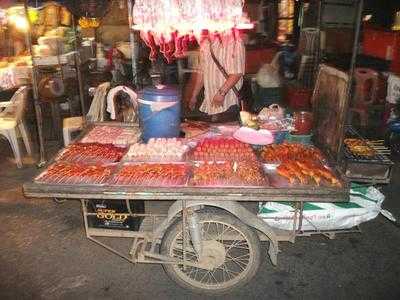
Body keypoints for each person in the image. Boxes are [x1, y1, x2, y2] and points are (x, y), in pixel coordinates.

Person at [186, 31, 245, 122]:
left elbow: (237, 73)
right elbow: (202, 72)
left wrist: (221, 93)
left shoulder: (234, 43)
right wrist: (194, 96)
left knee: (227, 133)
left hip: (227, 102)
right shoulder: (205, 44)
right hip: (209, 101)